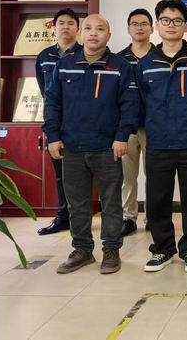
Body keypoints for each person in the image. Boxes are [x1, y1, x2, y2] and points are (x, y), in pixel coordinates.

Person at [44, 14, 139, 275]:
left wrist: (122, 136)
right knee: (77, 203)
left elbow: (129, 105)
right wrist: (53, 136)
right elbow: (52, 103)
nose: (94, 33)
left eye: (100, 29)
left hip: (107, 147)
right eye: (88, 28)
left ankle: (111, 250)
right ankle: (82, 250)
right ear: (80, 33)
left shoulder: (120, 66)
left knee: (111, 203)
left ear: (109, 35)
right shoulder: (64, 65)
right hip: (71, 146)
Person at [138, 0, 187, 274]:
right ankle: (163, 249)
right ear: (157, 25)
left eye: (177, 21)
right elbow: (141, 103)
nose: (171, 25)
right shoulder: (145, 63)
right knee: (157, 199)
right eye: (166, 20)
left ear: (186, 26)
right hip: (158, 143)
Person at [35, 8, 82, 236]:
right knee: (60, 173)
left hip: (80, 122)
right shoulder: (44, 56)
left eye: (70, 23)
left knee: (81, 174)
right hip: (55, 122)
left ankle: (79, 218)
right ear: (54, 27)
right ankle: (63, 217)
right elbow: (45, 91)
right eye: (61, 23)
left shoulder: (86, 53)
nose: (66, 27)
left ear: (77, 28)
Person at [117, 8, 155, 236]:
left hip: (154, 126)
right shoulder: (119, 59)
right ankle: (128, 218)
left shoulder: (160, 55)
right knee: (127, 177)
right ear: (128, 29)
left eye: (144, 24)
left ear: (152, 28)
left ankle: (153, 217)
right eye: (135, 24)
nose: (139, 28)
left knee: (155, 176)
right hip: (127, 127)